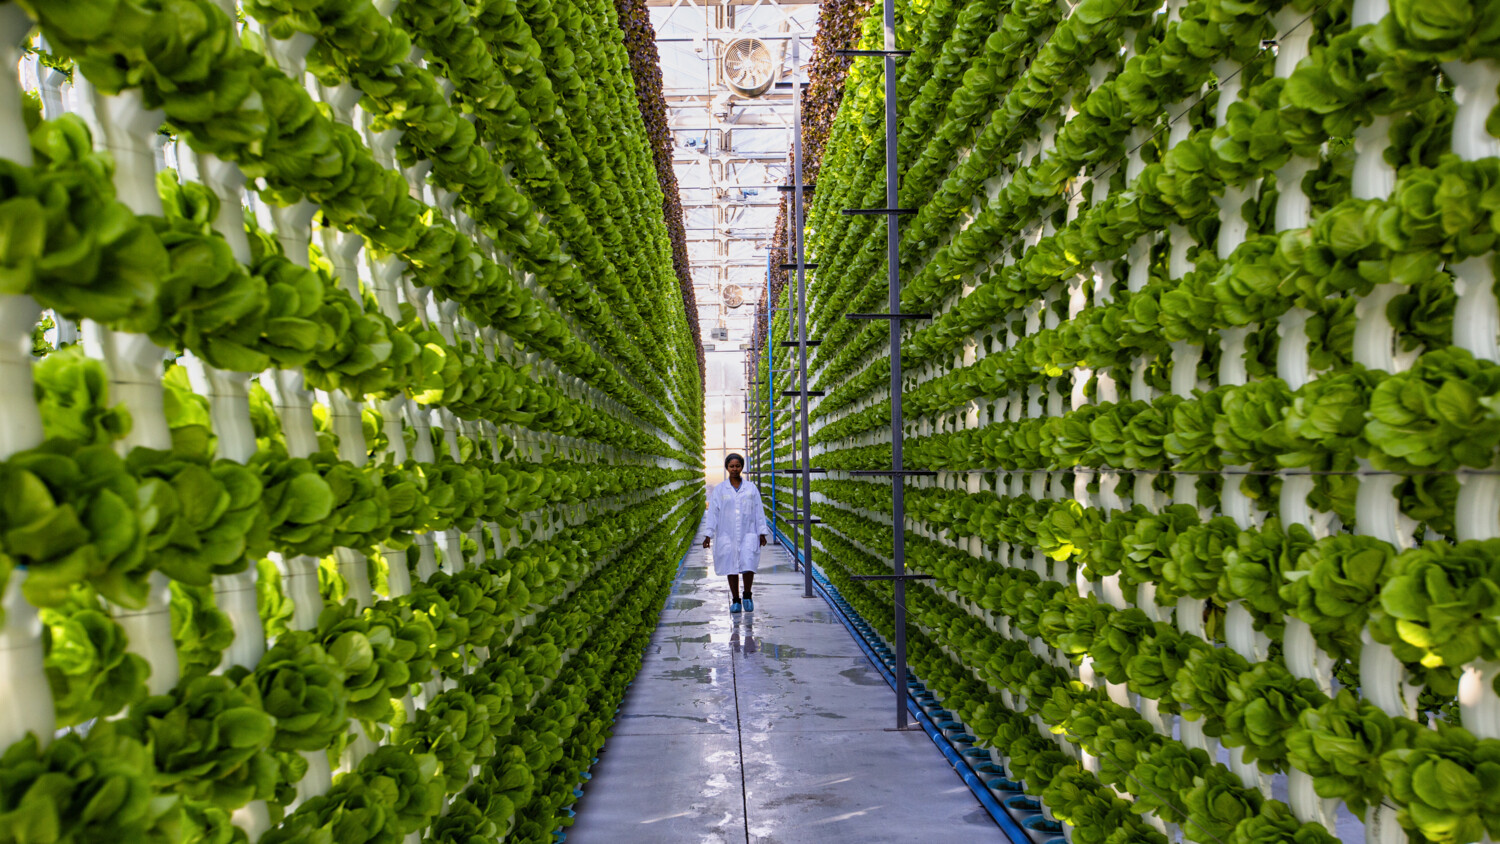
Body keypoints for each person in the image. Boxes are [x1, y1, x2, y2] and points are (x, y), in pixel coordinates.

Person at [702, 453, 768, 614]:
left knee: (748, 563)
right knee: (730, 566)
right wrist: (708, 534)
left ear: (741, 467)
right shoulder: (720, 490)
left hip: (748, 532)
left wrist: (762, 532)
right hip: (727, 533)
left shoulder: (751, 488)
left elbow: (758, 510)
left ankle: (747, 595)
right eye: (731, 466)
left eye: (737, 466)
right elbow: (713, 513)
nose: (734, 469)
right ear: (727, 468)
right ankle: (736, 600)